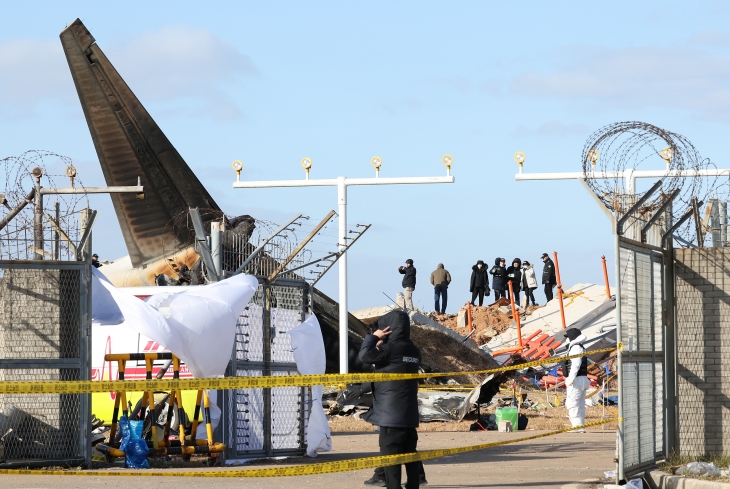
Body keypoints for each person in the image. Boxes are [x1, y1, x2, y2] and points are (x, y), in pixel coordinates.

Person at [359, 310, 422, 489]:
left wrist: (373, 338)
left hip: (390, 415)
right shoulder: (414, 351)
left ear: (389, 329)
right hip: (409, 414)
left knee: (391, 458)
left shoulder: (388, 349)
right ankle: (413, 485)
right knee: (410, 454)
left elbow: (364, 356)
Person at [562, 328, 591, 432]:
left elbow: (576, 364)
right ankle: (580, 426)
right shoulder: (580, 347)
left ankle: (577, 426)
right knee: (580, 404)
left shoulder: (575, 347)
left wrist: (571, 378)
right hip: (583, 378)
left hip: (577, 379)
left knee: (572, 403)